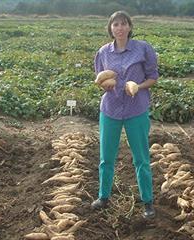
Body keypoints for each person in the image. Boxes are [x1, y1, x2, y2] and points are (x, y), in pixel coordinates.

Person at [91, 10, 159, 219]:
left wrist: (138, 87)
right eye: (115, 25)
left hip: (136, 108)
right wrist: (105, 85)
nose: (119, 28)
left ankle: (147, 201)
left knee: (141, 158)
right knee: (106, 157)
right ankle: (103, 196)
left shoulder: (143, 48)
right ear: (110, 29)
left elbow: (153, 77)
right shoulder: (103, 52)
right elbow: (100, 79)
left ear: (130, 27)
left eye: (123, 24)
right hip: (110, 109)